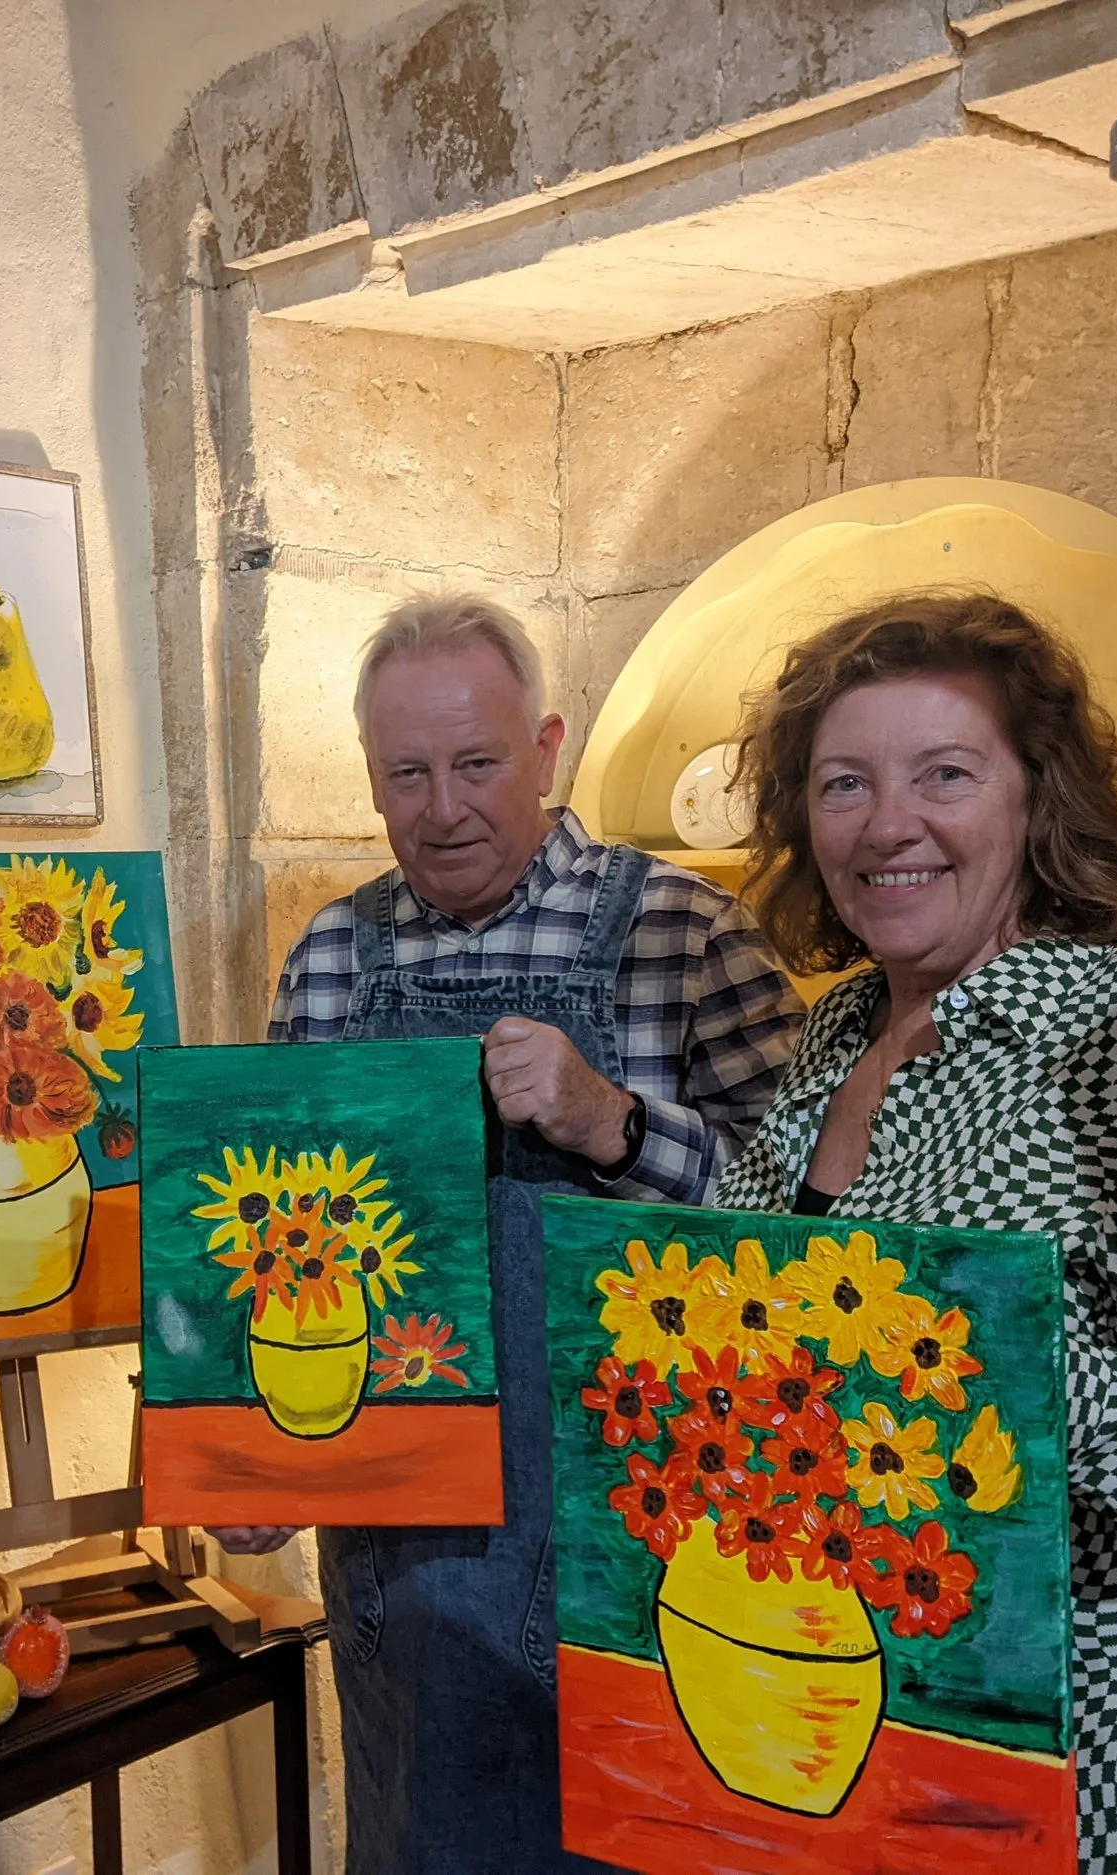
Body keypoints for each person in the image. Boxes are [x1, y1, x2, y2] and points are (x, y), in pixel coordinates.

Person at [709, 593, 1117, 1874]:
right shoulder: (833, 1035)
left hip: (1085, 1770)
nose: (887, 826)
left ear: (1037, 799)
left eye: (945, 774)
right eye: (842, 785)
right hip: (840, 1736)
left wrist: (975, 1359)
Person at [216, 595, 804, 1872]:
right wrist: (258, 1466)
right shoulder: (329, 958)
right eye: (404, 774)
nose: (442, 809)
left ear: (547, 748)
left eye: (477, 764)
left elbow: (812, 1246)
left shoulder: (687, 937)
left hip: (646, 1545)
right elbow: (276, 1253)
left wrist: (615, 1125)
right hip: (406, 1574)